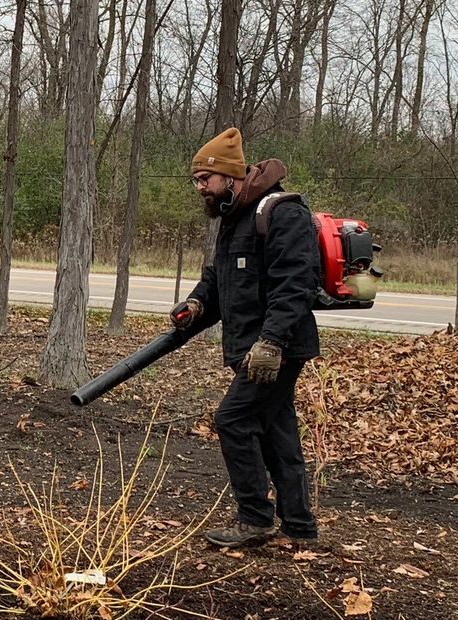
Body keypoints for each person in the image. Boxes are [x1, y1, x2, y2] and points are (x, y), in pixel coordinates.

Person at [171, 127, 321, 548]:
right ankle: (299, 526)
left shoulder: (282, 212)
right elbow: (219, 279)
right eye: (196, 180)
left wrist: (272, 342)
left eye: (205, 179)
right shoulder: (233, 218)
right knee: (277, 430)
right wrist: (197, 304)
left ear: (231, 177)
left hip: (278, 347)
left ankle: (255, 518)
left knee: (233, 420)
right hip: (251, 349)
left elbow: (296, 284)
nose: (200, 187)